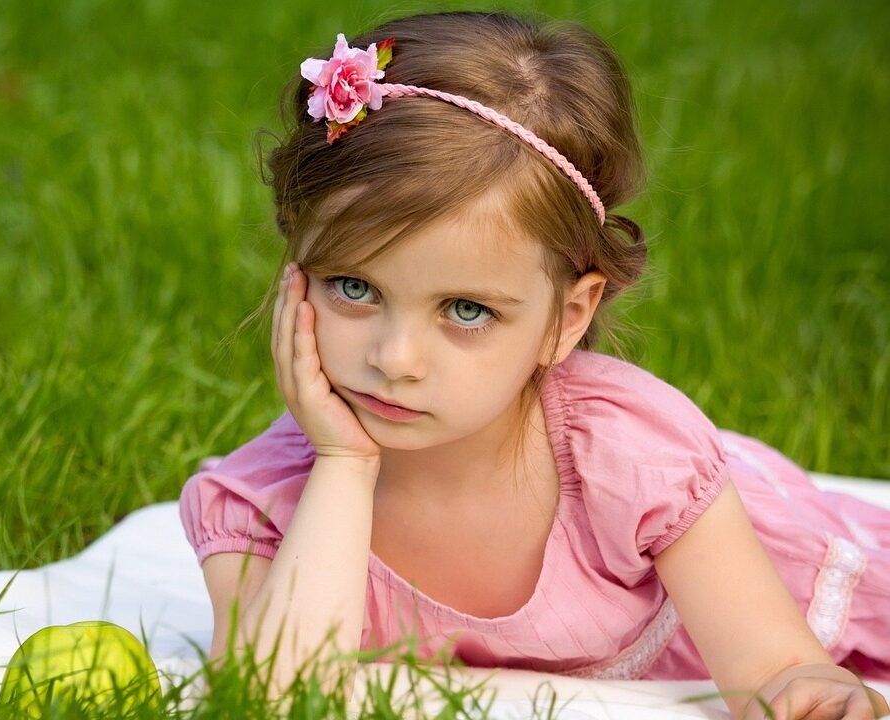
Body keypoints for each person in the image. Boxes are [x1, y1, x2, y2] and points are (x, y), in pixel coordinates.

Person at [178, 11, 890, 719]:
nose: (394, 359)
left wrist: (805, 687)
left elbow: (776, 668)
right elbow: (269, 698)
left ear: (567, 317)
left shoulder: (629, 460)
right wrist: (343, 464)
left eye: (465, 310)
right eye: (354, 288)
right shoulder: (262, 504)